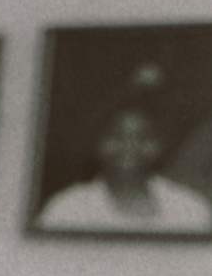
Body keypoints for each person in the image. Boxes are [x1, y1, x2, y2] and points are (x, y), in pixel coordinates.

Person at [34, 89, 212, 233]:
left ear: (157, 147)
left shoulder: (191, 211)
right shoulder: (67, 209)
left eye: (142, 138)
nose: (129, 146)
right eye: (117, 137)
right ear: (99, 145)